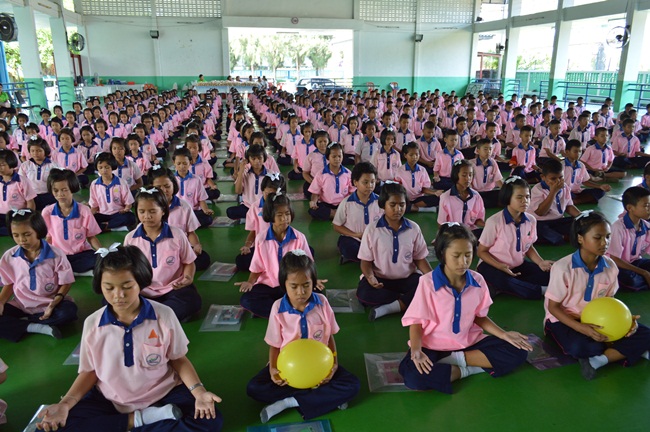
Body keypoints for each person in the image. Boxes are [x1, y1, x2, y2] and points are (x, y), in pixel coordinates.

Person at [36, 245, 223, 431]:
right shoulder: (93, 324)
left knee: (209, 420)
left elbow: (178, 359)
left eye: (127, 287)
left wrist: (199, 391)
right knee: (49, 428)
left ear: (140, 283)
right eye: (109, 288)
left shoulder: (164, 315)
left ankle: (119, 425)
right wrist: (65, 404)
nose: (118, 295)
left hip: (163, 394)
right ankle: (141, 420)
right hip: (109, 398)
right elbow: (89, 372)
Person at [398, 223, 531, 394]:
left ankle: (455, 362)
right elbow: (416, 322)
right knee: (412, 376)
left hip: (468, 342)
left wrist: (504, 334)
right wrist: (416, 350)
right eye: (456, 256)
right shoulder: (427, 283)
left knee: (519, 351)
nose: (463, 262)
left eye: (468, 255)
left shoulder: (478, 281)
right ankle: (466, 370)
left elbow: (479, 317)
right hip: (433, 346)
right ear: (442, 254)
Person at [246, 251, 360, 423]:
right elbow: (275, 344)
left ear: (313, 282)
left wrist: (334, 364)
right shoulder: (277, 308)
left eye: (306, 285)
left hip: (321, 367)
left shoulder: (322, 303)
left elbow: (329, 337)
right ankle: (324, 398)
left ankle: (289, 402)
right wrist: (273, 369)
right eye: (294, 286)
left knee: (353, 385)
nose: (301, 292)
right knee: (254, 388)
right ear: (284, 285)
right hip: (289, 370)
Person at [544, 211, 650, 380]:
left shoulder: (610, 267)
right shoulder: (563, 268)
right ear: (580, 238)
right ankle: (626, 349)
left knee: (644, 332)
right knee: (583, 347)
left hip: (598, 320)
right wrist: (581, 327)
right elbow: (553, 307)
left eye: (608, 237)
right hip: (563, 320)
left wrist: (626, 321)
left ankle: (600, 360)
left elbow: (610, 303)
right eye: (598, 237)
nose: (604, 242)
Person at [124, 188, 201, 322]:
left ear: (163, 211)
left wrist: (188, 278)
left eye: (152, 211)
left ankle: (146, 316)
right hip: (142, 291)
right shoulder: (131, 238)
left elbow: (189, 262)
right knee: (110, 301)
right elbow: (127, 269)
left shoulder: (177, 234)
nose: (147, 216)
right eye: (142, 211)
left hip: (173, 288)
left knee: (192, 301)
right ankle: (164, 316)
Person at [236, 190, 317, 318]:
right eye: (280, 215)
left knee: (317, 294)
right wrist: (250, 282)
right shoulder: (261, 239)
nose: (284, 218)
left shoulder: (299, 237)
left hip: (293, 284)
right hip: (269, 285)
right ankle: (290, 312)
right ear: (270, 216)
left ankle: (278, 311)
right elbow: (257, 266)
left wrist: (313, 280)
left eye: (287, 214)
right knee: (246, 300)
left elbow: (308, 264)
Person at [357, 182, 431, 320]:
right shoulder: (372, 230)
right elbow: (365, 262)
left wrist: (432, 277)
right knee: (364, 294)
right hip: (381, 280)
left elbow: (420, 259)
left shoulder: (414, 228)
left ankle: (391, 307)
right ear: (383, 205)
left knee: (427, 285)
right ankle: (406, 300)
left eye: (402, 204)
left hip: (407, 278)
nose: (398, 209)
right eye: (393, 205)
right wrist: (371, 277)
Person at [0, 209, 76, 342]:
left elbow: (66, 282)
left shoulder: (56, 254)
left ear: (38, 231)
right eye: (16, 235)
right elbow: (9, 283)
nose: (22, 240)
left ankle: (22, 323)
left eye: (27, 234)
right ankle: (35, 327)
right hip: (21, 304)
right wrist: (1, 302)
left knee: (68, 312)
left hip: (50, 303)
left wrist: (53, 304)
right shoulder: (9, 257)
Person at [477, 176, 553, 300]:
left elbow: (529, 247)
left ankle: (504, 287)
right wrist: (500, 266)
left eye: (527, 197)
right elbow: (481, 252)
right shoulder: (494, 222)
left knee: (549, 274)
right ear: (508, 198)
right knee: (501, 278)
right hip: (492, 266)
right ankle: (538, 290)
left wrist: (540, 262)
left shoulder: (531, 220)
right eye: (519, 197)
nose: (525, 201)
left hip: (517, 265)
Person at [150, 167, 211, 272]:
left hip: (179, 249)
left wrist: (196, 245)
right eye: (158, 187)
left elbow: (191, 233)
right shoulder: (148, 207)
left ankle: (170, 267)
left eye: (167, 186)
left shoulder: (184, 206)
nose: (164, 190)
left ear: (174, 185)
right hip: (156, 250)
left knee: (203, 259)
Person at [42, 169, 102, 274]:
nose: (60, 194)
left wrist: (103, 251)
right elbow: (49, 238)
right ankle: (75, 271)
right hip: (59, 254)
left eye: (64, 190)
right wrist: (43, 256)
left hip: (82, 253)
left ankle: (66, 271)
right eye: (56, 190)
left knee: (99, 260)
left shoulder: (84, 211)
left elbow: (91, 237)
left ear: (72, 188)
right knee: (44, 264)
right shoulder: (47, 212)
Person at [333, 162, 383, 264]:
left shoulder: (380, 202)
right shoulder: (347, 203)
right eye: (365, 182)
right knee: (349, 248)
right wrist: (356, 235)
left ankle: (366, 258)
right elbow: (337, 226)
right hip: (353, 238)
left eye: (372, 182)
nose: (370, 186)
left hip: (374, 239)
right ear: (355, 182)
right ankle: (372, 258)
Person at [236, 172, 286, 272]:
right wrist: (247, 246)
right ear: (262, 191)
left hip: (281, 246)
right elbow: (253, 231)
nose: (270, 197)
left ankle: (271, 263)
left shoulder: (284, 206)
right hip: (262, 246)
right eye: (267, 194)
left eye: (273, 194)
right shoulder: (255, 207)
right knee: (241, 261)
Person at [607, 186, 650, 291]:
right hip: (616, 265)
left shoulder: (646, 226)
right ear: (630, 208)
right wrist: (644, 273)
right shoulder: (618, 228)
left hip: (634, 262)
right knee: (631, 280)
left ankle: (642, 280)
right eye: (646, 206)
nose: (649, 209)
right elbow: (614, 259)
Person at [530, 159, 581, 245]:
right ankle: (564, 237)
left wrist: (581, 217)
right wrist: (553, 192)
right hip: (540, 222)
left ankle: (559, 237)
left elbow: (569, 206)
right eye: (553, 178)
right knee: (537, 229)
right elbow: (540, 212)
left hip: (557, 221)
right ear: (543, 177)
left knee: (578, 222)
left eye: (561, 177)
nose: (558, 181)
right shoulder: (537, 190)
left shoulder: (565, 187)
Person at [89, 152, 137, 232]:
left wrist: (126, 209)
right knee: (88, 219)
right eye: (100, 167)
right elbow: (94, 206)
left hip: (118, 213)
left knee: (130, 217)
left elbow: (128, 203)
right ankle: (112, 227)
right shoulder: (94, 184)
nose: (104, 170)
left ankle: (104, 227)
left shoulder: (121, 182)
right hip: (102, 214)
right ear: (97, 168)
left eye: (107, 167)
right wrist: (89, 217)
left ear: (112, 167)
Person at [438, 160, 485, 238]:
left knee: (487, 235)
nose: (468, 178)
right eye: (464, 175)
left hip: (470, 232)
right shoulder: (446, 197)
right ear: (456, 175)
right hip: (453, 234)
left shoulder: (476, 196)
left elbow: (477, 220)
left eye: (470, 175)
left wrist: (487, 225)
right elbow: (441, 224)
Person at [308, 143, 353, 220]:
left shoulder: (348, 173)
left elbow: (353, 192)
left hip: (343, 204)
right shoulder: (321, 174)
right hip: (326, 204)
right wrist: (313, 202)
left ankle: (336, 214)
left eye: (339, 156)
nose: (337, 159)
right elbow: (315, 193)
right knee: (313, 211)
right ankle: (338, 214)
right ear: (328, 157)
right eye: (334, 156)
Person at [172, 147, 214, 228]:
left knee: (208, 219)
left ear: (190, 162)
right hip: (177, 212)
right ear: (174, 162)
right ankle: (188, 224)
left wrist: (205, 210)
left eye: (185, 163)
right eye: (179, 163)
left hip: (193, 211)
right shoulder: (171, 180)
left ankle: (182, 224)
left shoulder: (196, 179)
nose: (182, 166)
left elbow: (201, 199)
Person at [394, 142, 441, 213]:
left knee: (437, 198)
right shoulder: (400, 170)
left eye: (417, 154)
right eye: (411, 155)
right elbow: (397, 189)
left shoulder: (422, 170)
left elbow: (424, 189)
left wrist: (435, 192)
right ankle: (422, 209)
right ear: (405, 155)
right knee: (395, 204)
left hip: (419, 198)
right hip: (404, 198)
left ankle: (412, 207)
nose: (414, 157)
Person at [563, 139, 610, 205]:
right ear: (567, 152)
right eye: (575, 151)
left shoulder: (581, 165)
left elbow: (585, 181)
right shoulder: (561, 165)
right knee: (564, 194)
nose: (578, 154)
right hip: (565, 192)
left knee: (601, 191)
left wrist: (600, 186)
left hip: (578, 192)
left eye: (580, 151)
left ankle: (575, 201)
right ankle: (577, 201)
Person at [471, 138, 503, 208]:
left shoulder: (493, 162)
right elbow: (468, 183)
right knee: (474, 200)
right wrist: (471, 194)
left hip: (490, 192)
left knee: (504, 197)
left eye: (490, 149)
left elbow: (498, 179)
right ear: (478, 151)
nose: (488, 151)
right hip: (476, 192)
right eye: (485, 149)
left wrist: (506, 192)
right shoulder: (471, 164)